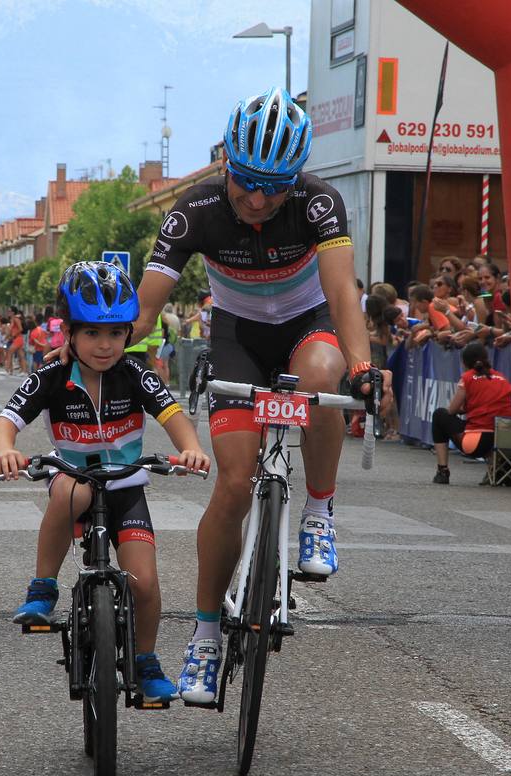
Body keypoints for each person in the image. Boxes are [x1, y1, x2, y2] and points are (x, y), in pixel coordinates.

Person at [127, 87, 381, 704]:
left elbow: (344, 295)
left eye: (276, 186)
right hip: (238, 338)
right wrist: (95, 346)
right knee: (234, 484)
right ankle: (207, 639)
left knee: (324, 374)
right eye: (247, 183)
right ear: (225, 168)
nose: (262, 199)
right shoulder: (195, 210)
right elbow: (146, 306)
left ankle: (319, 512)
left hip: (306, 327)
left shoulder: (320, 202)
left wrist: (364, 365)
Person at [0, 261, 211, 703]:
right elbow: (6, 422)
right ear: (69, 332)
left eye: (114, 333)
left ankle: (146, 662)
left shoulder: (137, 375)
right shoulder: (51, 376)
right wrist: (4, 451)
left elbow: (174, 419)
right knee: (78, 489)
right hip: (72, 477)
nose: (104, 345)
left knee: (144, 582)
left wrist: (191, 448)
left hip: (126, 485)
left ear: (129, 334)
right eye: (91, 333)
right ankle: (43, 587)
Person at [430, 341, 511, 484]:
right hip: (506, 439)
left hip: (478, 441)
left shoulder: (468, 378)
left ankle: (442, 471)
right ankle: (497, 467)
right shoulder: (501, 378)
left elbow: (452, 409)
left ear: (464, 362)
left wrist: (465, 408)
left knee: (440, 415)